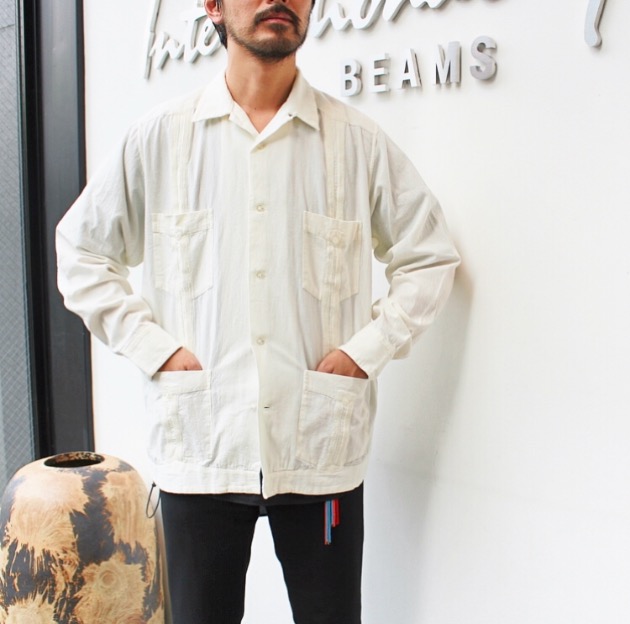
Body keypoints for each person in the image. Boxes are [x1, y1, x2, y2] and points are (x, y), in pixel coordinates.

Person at [56, 0, 460, 620]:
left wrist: (365, 352)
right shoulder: (161, 139)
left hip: (319, 448)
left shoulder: (356, 143)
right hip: (201, 447)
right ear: (213, 6)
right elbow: (82, 252)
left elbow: (429, 256)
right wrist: (156, 350)